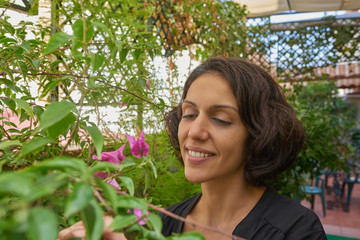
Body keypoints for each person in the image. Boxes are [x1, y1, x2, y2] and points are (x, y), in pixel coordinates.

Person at [59, 57, 327, 240]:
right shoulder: (164, 222)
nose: (195, 132)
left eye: (221, 119)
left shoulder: (295, 230)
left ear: (259, 134)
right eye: (188, 114)